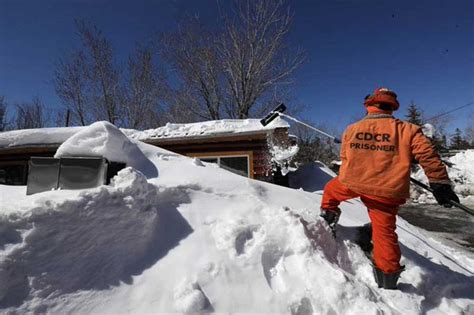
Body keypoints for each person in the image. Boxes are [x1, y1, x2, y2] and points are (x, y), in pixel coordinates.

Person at [319, 87, 459, 289]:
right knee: (384, 232)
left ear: (369, 105)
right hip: (386, 190)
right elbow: (428, 157)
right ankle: (388, 277)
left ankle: (328, 219)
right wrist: (440, 184)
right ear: (392, 107)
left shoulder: (351, 129)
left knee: (331, 192)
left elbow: (345, 158)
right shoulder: (408, 130)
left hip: (352, 182)